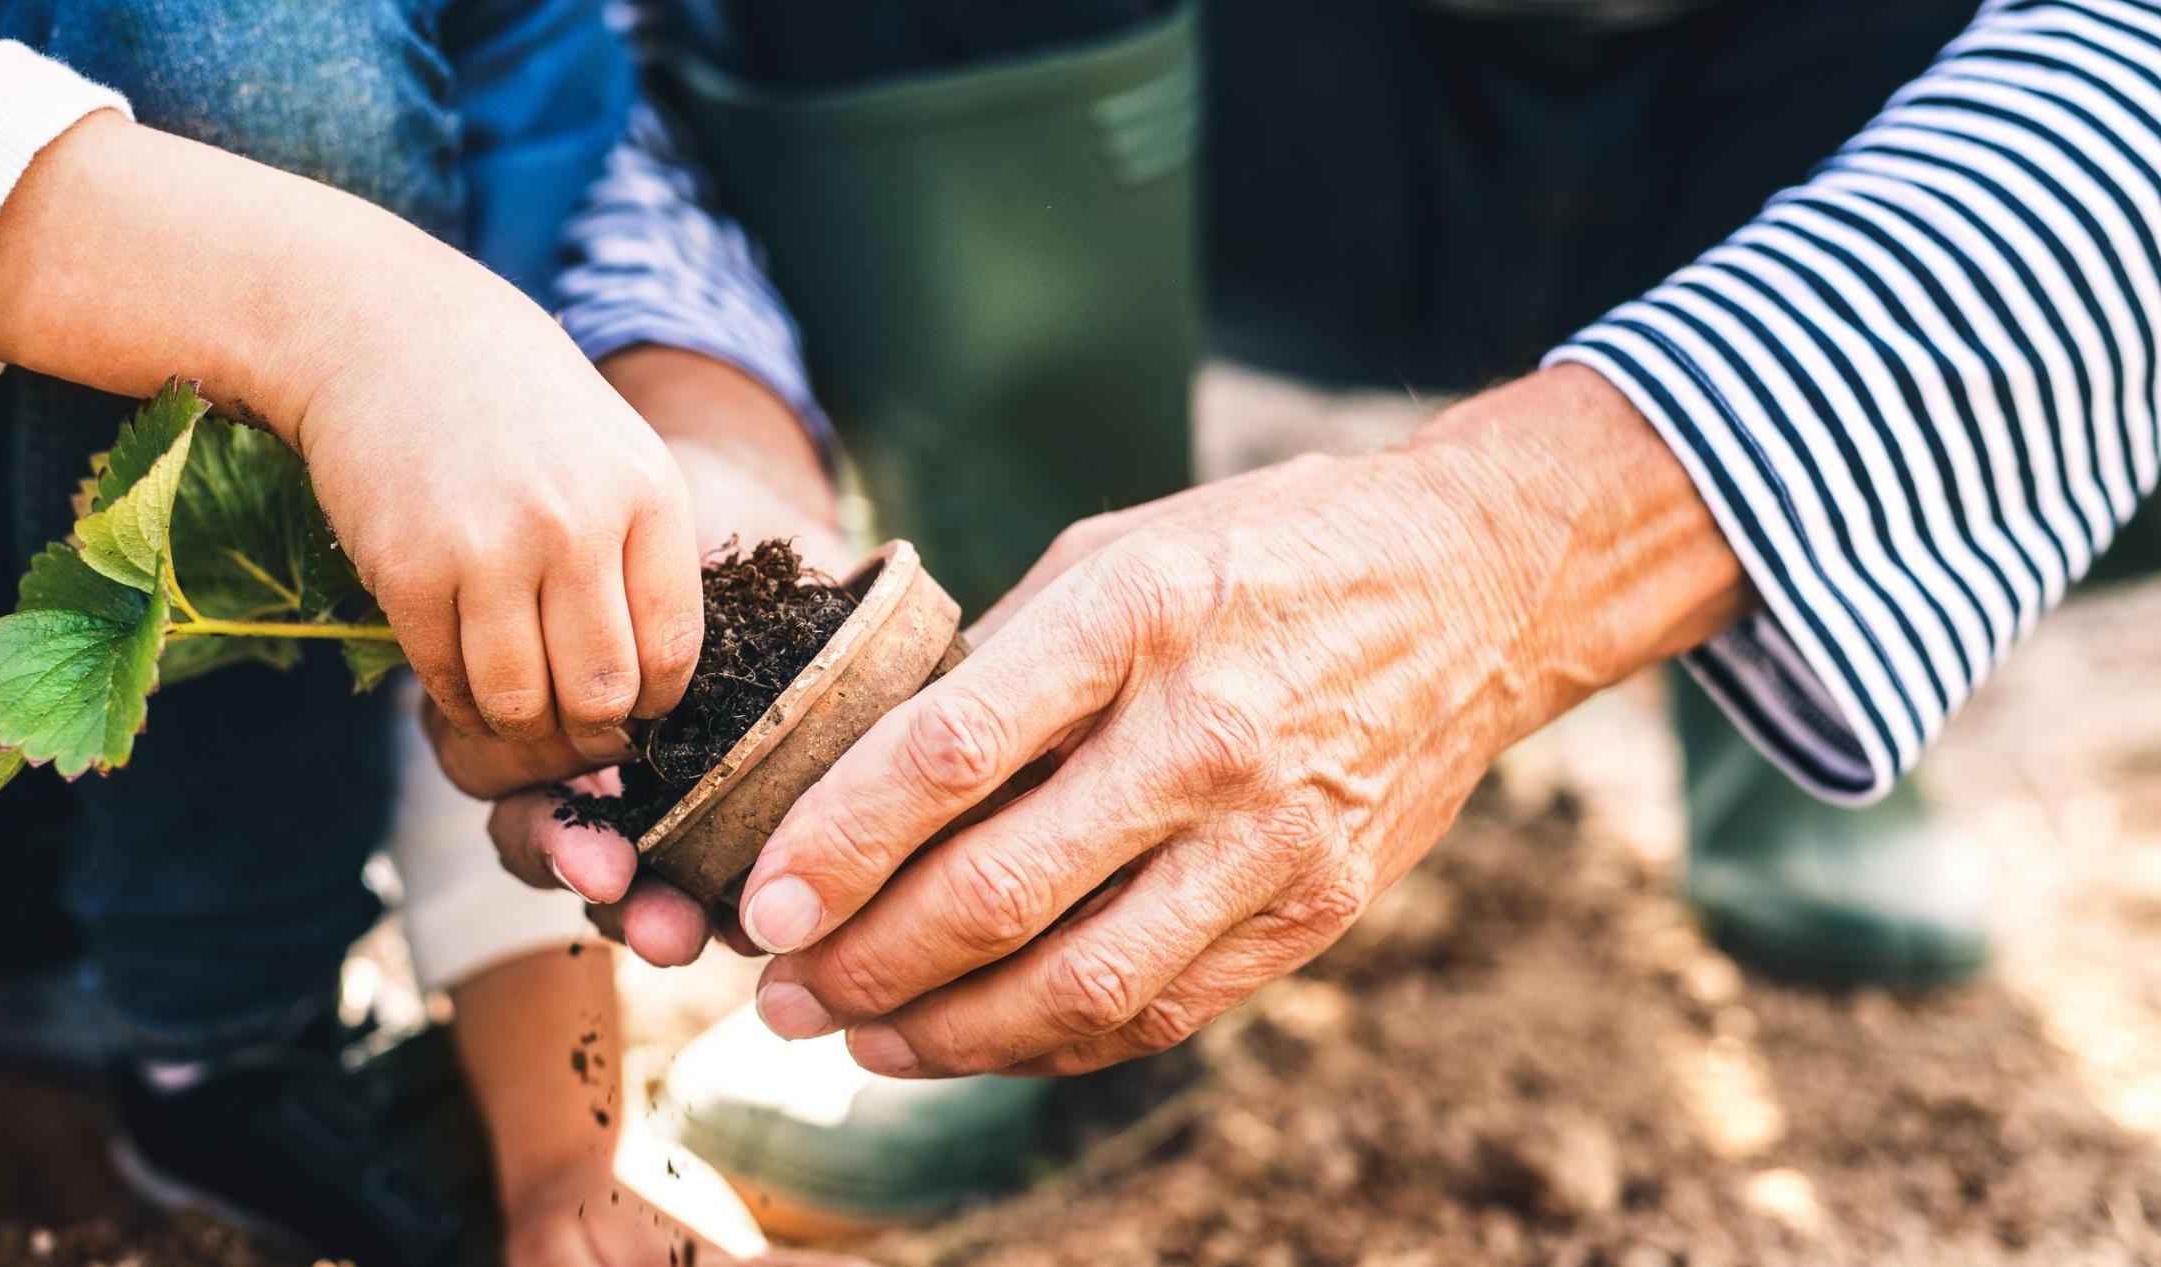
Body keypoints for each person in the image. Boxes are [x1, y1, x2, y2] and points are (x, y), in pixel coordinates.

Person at [453, 0, 2161, 1108]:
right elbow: (572, 40)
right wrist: (696, 390)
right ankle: (1029, 816)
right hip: (1258, 102)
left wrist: (1525, 545)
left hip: (1883, 101)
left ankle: (1796, 629)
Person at [0, 2, 855, 1262]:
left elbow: (475, 546)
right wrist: (334, 317)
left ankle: (227, 1053)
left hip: (126, 839)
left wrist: (572, 1145)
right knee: (257, 48)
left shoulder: (523, 63)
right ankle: (220, 1004)